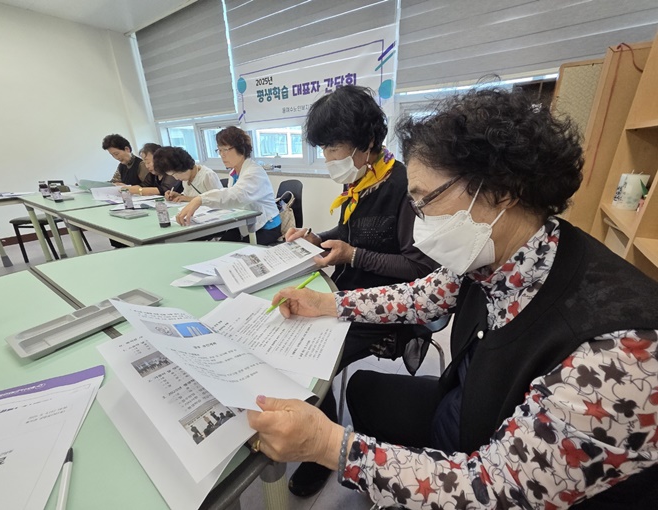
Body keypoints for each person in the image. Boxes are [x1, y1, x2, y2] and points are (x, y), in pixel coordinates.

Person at [247, 87, 658, 509]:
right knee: (363, 391)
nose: (419, 221)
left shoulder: (620, 353)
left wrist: (327, 445)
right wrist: (329, 304)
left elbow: (494, 490)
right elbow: (423, 295)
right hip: (467, 407)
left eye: (425, 202)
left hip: (489, 466)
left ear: (499, 190)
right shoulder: (499, 251)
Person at [283, 85, 438, 497]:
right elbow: (353, 231)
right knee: (294, 330)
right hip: (348, 292)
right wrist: (317, 238)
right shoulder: (363, 179)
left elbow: (418, 270)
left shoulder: (403, 187)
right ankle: (323, 426)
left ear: (367, 142)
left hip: (389, 307)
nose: (328, 158)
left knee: (308, 359)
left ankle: (321, 451)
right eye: (324, 148)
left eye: (333, 147)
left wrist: (353, 255)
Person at [174, 126, 281, 246]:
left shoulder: (254, 172)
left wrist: (199, 199)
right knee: (220, 246)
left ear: (241, 149)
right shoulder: (234, 172)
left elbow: (236, 196)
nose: (222, 155)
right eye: (219, 150)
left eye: (225, 149)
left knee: (234, 251)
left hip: (266, 226)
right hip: (243, 224)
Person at [151, 146, 221, 200]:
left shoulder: (207, 175)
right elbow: (189, 196)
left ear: (182, 167)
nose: (176, 178)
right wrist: (179, 196)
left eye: (175, 174)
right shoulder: (186, 179)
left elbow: (218, 200)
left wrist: (187, 199)